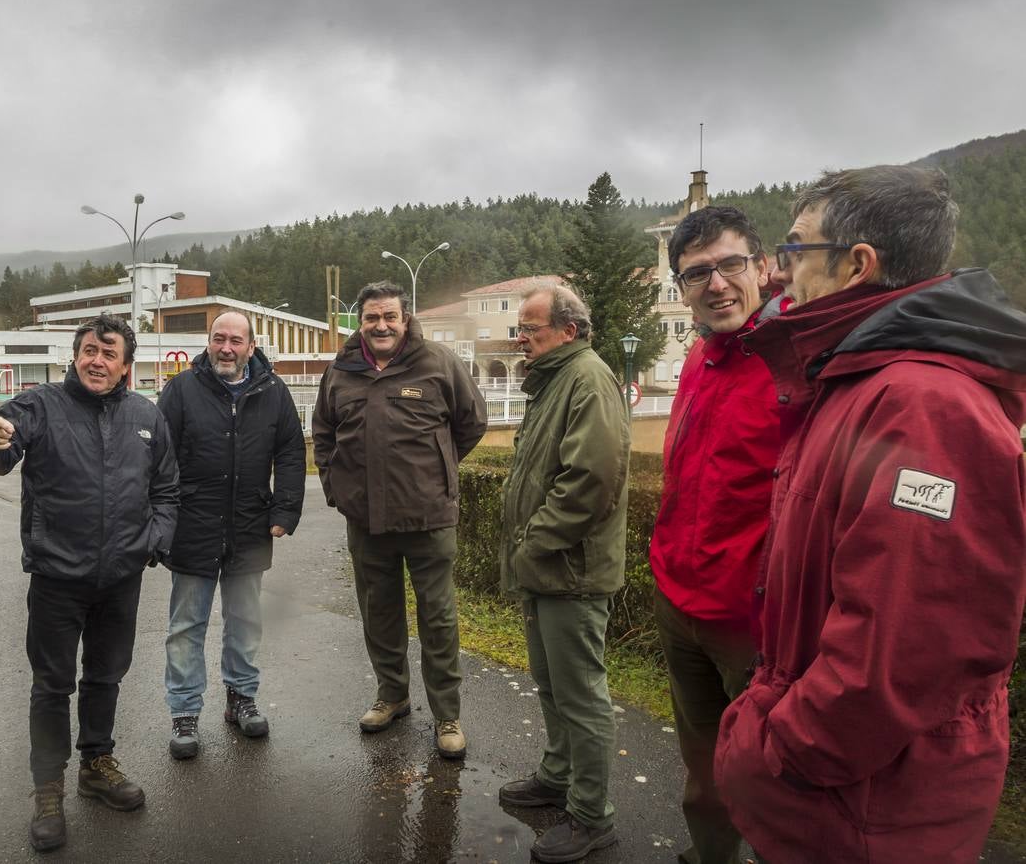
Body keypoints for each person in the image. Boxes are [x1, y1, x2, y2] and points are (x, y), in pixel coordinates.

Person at [715, 165, 1026, 863]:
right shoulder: (861, 380)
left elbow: (905, 649)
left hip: (865, 813)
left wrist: (783, 750)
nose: (776, 276)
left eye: (793, 251)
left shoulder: (923, 409)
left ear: (858, 264)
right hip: (844, 801)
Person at [0, 313, 178, 854]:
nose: (95, 361)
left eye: (108, 353)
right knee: (52, 684)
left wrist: (153, 541)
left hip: (121, 578)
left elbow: (168, 489)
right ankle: (49, 788)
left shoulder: (147, 416)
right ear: (74, 356)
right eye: (87, 351)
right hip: (58, 577)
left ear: (126, 365)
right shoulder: (40, 406)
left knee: (107, 675)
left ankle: (96, 765)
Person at [648, 207, 783, 864]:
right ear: (681, 288)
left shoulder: (798, 366)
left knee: (767, 788)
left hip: (755, 628)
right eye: (696, 273)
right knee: (702, 785)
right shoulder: (700, 358)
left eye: (731, 264)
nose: (716, 283)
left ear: (763, 267)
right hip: (682, 607)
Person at [312, 280, 486, 759]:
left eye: (390, 316)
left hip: (428, 518)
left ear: (405, 319)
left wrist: (438, 471)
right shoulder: (342, 371)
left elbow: (471, 423)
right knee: (379, 613)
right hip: (365, 520)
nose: (381, 325)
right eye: (372, 317)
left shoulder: (438, 363)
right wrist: (336, 485)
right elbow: (323, 432)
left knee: (438, 618)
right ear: (361, 322)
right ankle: (392, 696)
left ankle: (447, 715)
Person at [496, 282, 630, 864]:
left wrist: (533, 544)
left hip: (569, 569)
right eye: (519, 329)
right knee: (552, 685)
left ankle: (592, 814)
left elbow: (590, 480)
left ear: (568, 331)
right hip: (547, 568)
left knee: (580, 696)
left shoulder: (588, 379)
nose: (519, 337)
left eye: (530, 328)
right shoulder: (556, 380)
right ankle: (557, 775)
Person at [156, 311, 305, 758]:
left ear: (251, 347)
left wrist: (285, 510)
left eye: (235, 341)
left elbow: (292, 453)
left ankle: (241, 697)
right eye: (219, 339)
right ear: (208, 342)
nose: (226, 347)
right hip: (192, 526)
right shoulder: (181, 390)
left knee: (245, 621)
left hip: (251, 525)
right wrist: (162, 516)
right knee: (186, 626)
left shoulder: (274, 392)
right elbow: (159, 457)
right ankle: (184, 713)